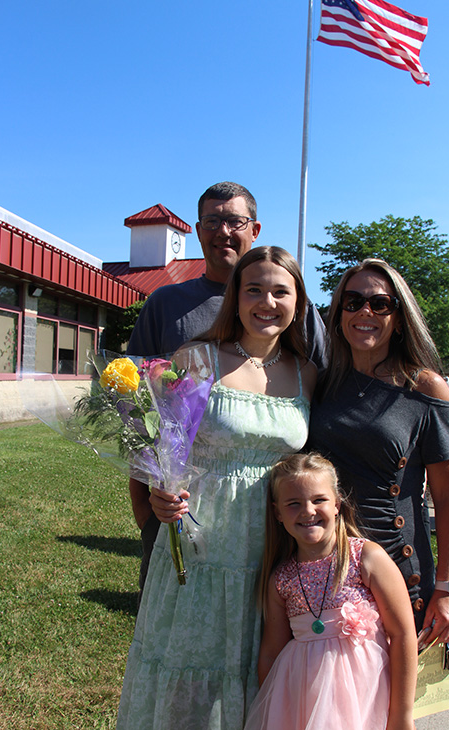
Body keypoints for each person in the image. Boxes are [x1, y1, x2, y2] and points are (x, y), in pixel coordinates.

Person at [112, 246, 317, 730]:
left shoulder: (309, 376)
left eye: (280, 291)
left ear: (297, 302)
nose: (266, 301)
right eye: (254, 289)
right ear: (235, 296)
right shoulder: (196, 358)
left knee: (260, 677)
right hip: (199, 545)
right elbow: (160, 447)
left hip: (271, 547)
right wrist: (159, 492)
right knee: (189, 682)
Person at [127, 182, 327, 594]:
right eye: (212, 221)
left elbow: (323, 407)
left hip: (276, 531)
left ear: (254, 229)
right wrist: (147, 507)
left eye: (234, 221)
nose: (223, 231)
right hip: (186, 516)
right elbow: (136, 411)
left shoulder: (301, 321)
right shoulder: (167, 305)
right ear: (198, 231)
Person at [225, 452, 434, 730]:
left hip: (366, 702)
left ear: (337, 504)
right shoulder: (281, 578)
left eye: (318, 500)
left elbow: (403, 633)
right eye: (293, 503)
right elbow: (271, 652)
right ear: (277, 513)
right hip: (303, 701)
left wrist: (401, 712)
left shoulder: (366, 558)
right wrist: (270, 714)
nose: (307, 511)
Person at [308, 258, 449, 644]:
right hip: (322, 569)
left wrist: (448, 590)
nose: (366, 311)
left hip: (397, 573)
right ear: (339, 312)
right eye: (353, 301)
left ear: (399, 317)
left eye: (380, 304)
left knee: (395, 701)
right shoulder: (321, 383)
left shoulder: (426, 389)